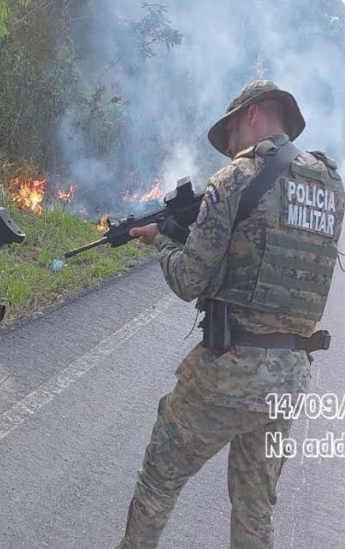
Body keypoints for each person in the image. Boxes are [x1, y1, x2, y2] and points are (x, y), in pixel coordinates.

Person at [119, 80, 344, 549]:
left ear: (254, 114)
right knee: (255, 506)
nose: (232, 150)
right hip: (290, 377)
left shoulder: (236, 179)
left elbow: (189, 281)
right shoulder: (330, 184)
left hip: (230, 372)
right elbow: (265, 253)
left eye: (233, 134)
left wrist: (160, 241)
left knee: (159, 481)